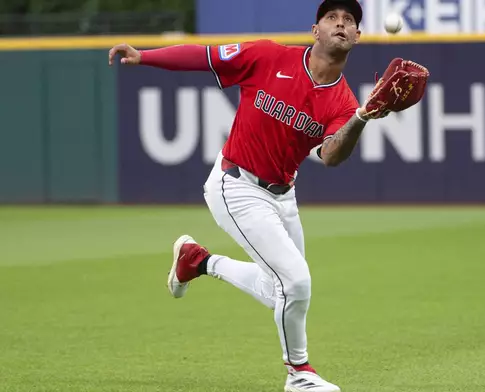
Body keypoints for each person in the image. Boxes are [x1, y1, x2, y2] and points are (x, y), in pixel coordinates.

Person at [108, 1, 427, 390]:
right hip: (235, 184)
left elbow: (330, 156)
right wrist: (144, 57)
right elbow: (204, 57)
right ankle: (299, 374)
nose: (341, 24)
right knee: (297, 283)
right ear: (316, 30)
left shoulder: (343, 102)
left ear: (357, 37)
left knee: (279, 288)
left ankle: (199, 261)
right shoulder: (267, 55)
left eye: (349, 21)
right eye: (332, 18)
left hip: (283, 195)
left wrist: (361, 117)